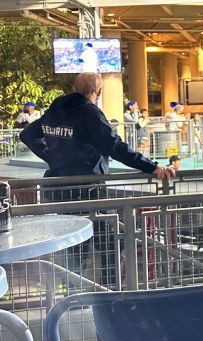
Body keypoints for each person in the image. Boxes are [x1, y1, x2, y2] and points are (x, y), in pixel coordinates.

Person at [19, 73, 174, 287]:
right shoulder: (89, 112)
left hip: (58, 190)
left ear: (74, 87)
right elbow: (115, 146)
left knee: (73, 247)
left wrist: (51, 157)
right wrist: (152, 167)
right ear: (98, 92)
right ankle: (109, 293)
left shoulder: (57, 109)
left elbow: (27, 134)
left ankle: (73, 297)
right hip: (87, 192)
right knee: (110, 242)